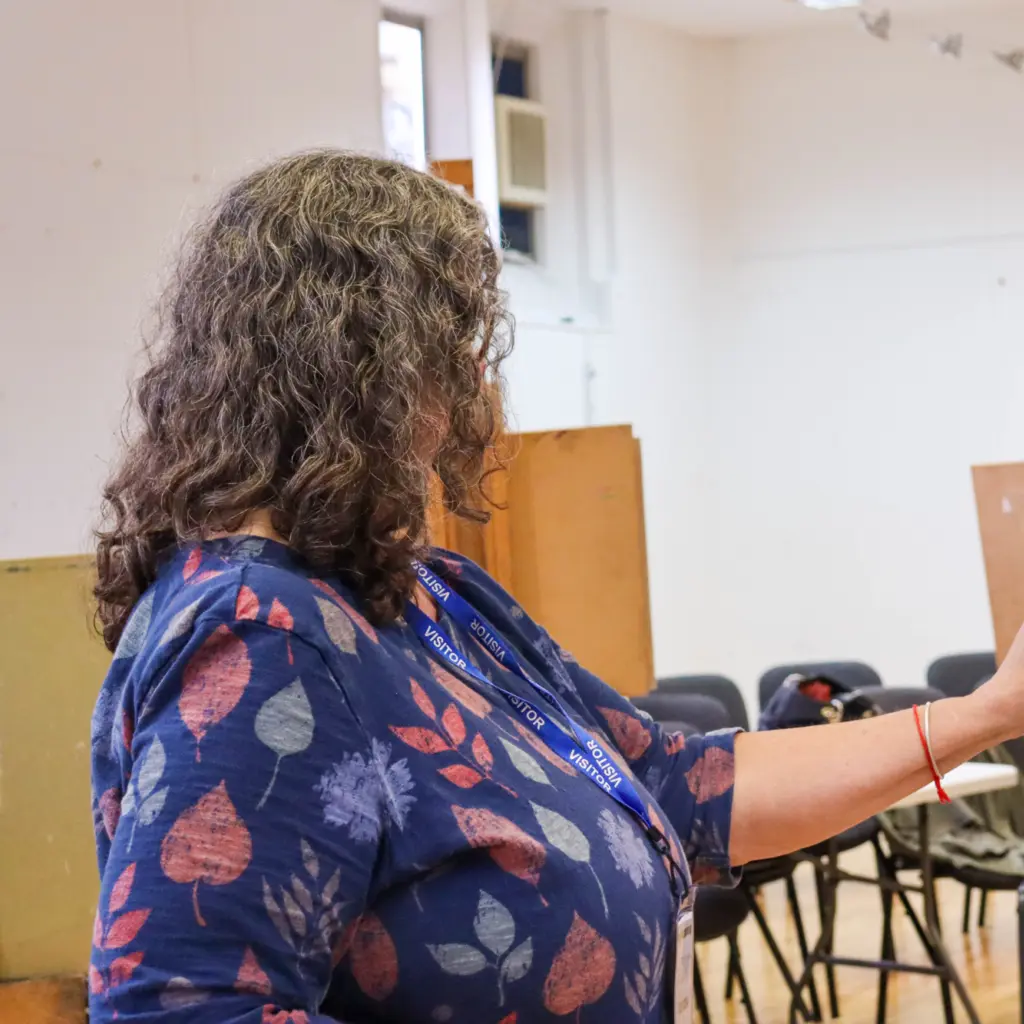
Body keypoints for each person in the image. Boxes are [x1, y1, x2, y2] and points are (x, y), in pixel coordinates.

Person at [89, 150, 1024, 1024]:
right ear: (353, 373)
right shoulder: (262, 640)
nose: (469, 394)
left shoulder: (428, 596)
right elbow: (187, 1006)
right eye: (448, 353)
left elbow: (676, 784)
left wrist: (985, 711)